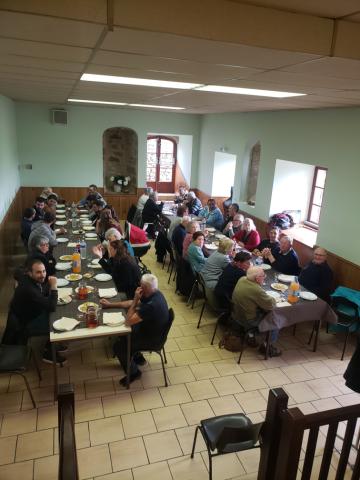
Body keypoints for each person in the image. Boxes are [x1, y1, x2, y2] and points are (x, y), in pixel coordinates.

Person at [101, 274, 169, 385]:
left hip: (153, 339)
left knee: (118, 346)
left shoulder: (151, 305)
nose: (139, 288)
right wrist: (110, 305)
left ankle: (134, 373)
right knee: (123, 335)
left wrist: (136, 298)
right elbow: (131, 303)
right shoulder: (156, 293)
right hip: (153, 330)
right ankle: (136, 356)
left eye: (140, 286)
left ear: (144, 288)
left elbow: (128, 321)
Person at [9, 259, 66, 364]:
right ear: (30, 273)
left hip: (30, 313)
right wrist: (53, 287)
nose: (43, 275)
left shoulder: (29, 280)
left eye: (43, 271)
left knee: (59, 312)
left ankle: (50, 345)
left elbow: (42, 292)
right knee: (57, 319)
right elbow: (51, 306)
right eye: (38, 272)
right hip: (27, 323)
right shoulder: (29, 289)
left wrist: (49, 287)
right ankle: (49, 354)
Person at [232, 266, 281, 357]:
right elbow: (271, 305)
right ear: (257, 278)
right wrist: (273, 299)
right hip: (248, 320)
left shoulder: (242, 279)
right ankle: (266, 347)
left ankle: (251, 335)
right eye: (263, 275)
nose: (265, 276)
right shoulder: (256, 290)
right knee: (275, 321)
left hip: (236, 314)